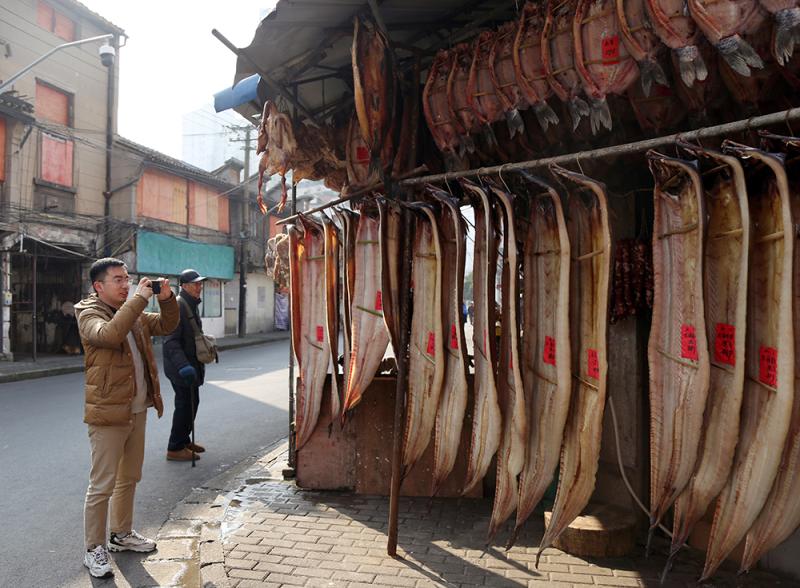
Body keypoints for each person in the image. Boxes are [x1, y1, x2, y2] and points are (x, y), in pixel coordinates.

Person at [75, 258, 178, 579]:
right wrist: (138, 299)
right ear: (98, 286)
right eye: (117, 280)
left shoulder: (132, 314)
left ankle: (121, 535)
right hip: (107, 412)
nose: (125, 284)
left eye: (127, 279)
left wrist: (166, 299)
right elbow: (107, 335)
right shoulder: (88, 313)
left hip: (136, 409)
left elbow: (165, 325)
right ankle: (94, 548)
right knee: (102, 485)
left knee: (129, 477)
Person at [163, 269, 208, 461]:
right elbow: (171, 341)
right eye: (195, 284)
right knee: (184, 406)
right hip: (180, 367)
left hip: (190, 364)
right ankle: (175, 447)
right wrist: (183, 366)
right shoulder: (179, 305)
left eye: (200, 284)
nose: (199, 287)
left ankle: (183, 440)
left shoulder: (190, 303)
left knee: (192, 403)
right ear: (184, 286)